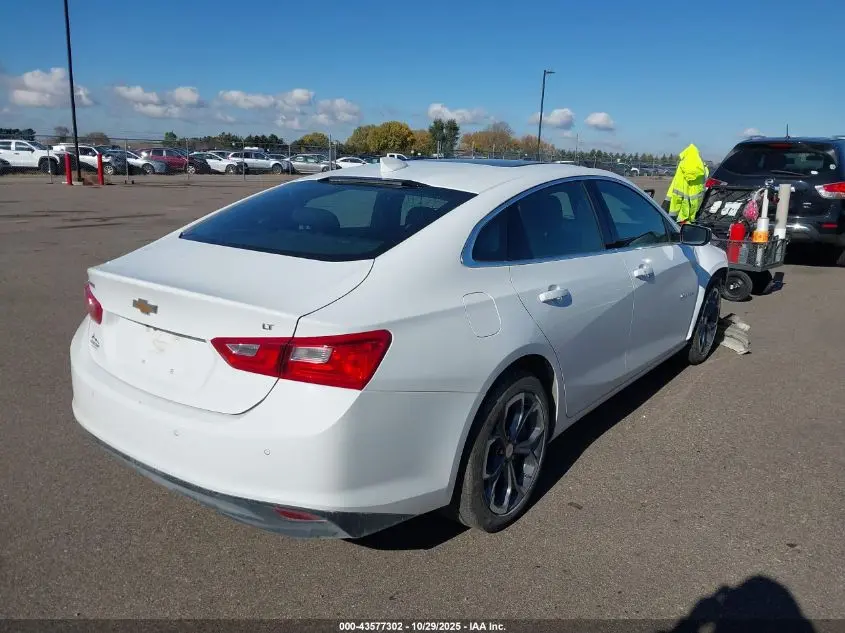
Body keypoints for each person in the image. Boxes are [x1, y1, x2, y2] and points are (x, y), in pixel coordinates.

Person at [662, 143, 709, 223]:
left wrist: (665, 206)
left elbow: (675, 190)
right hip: (693, 213)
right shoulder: (704, 169)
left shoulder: (682, 166)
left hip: (678, 215)